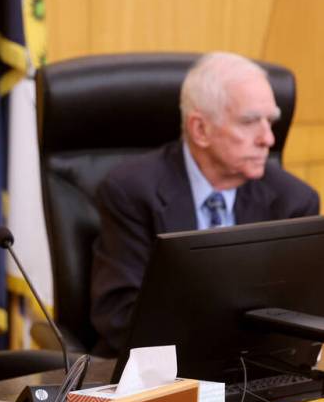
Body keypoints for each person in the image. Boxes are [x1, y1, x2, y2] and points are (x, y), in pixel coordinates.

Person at [91, 52, 319, 356]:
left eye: (271, 121)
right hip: (155, 376)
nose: (268, 138)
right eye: (250, 121)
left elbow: (297, 318)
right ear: (200, 129)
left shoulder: (294, 201)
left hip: (256, 372)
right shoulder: (131, 191)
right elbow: (119, 315)